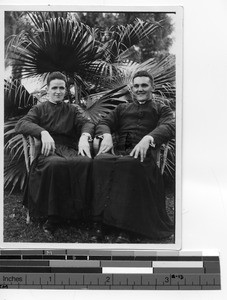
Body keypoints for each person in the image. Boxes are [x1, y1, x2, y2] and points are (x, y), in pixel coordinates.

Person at [91, 70, 175, 243]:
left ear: (152, 86)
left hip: (144, 158)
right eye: (136, 86)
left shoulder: (161, 109)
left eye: (144, 85)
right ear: (131, 88)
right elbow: (104, 122)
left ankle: (126, 229)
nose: (140, 89)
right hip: (120, 153)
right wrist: (106, 135)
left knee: (128, 166)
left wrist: (149, 138)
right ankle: (102, 222)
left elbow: (169, 126)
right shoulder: (122, 108)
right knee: (100, 162)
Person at [15, 71, 94, 234]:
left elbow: (87, 124)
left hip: (69, 149)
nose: (58, 91)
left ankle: (80, 214)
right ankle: (53, 216)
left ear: (65, 90)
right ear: (48, 90)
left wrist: (85, 136)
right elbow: (22, 124)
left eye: (61, 88)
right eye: (54, 88)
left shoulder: (72, 109)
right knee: (55, 164)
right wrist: (43, 133)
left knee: (85, 162)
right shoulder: (39, 108)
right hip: (48, 151)